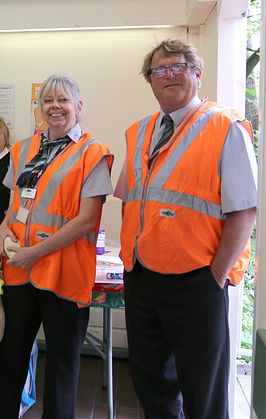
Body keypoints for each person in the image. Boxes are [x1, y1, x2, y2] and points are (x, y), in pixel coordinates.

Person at [115, 39, 257, 418]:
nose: (169, 75)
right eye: (159, 70)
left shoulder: (225, 126)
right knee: (151, 385)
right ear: (150, 82)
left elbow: (245, 211)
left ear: (197, 74)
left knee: (203, 391)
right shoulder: (138, 132)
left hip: (197, 281)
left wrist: (217, 273)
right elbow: (130, 199)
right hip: (142, 277)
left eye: (178, 66)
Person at [0, 75, 113, 418]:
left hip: (63, 274)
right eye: (48, 101)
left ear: (78, 107)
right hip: (19, 274)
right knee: (9, 357)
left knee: (62, 364)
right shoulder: (23, 148)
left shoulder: (94, 152)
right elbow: (14, 206)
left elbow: (87, 219)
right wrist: (1, 233)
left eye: (63, 100)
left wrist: (34, 253)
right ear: (39, 108)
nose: (55, 107)